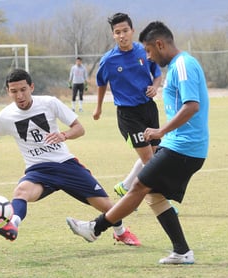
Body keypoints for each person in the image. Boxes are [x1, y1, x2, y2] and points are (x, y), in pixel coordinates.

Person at [67, 21, 209, 264]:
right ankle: (182, 251)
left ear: (160, 44)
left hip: (185, 147)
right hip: (179, 145)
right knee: (153, 195)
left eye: (149, 51)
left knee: (138, 187)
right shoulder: (176, 66)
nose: (147, 56)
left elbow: (192, 106)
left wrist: (160, 130)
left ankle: (95, 228)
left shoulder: (183, 65)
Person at [0, 68, 140, 246]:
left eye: (23, 89)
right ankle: (12, 225)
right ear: (8, 91)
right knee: (21, 191)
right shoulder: (3, 117)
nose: (20, 95)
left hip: (66, 165)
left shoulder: (49, 103)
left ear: (31, 87)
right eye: (14, 91)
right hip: (38, 170)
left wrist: (63, 135)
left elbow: (79, 129)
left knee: (109, 207)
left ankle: (120, 232)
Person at [93, 12, 177, 213]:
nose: (122, 35)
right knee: (150, 159)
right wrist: (98, 107)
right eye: (117, 32)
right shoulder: (108, 60)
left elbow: (157, 74)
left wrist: (155, 86)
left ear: (132, 31)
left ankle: (126, 186)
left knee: (155, 155)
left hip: (148, 109)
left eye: (125, 31)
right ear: (113, 35)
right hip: (128, 115)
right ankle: (162, 202)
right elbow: (101, 83)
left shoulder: (143, 52)